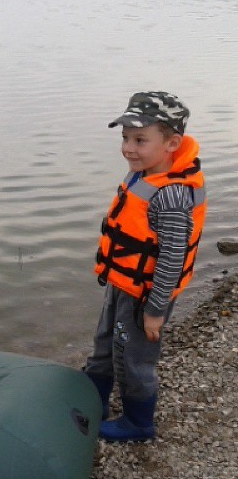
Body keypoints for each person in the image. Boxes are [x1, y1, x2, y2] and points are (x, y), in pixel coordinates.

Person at [84, 91, 207, 442]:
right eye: (125, 138)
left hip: (148, 295)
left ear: (172, 143)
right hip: (123, 283)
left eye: (140, 140)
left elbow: (173, 257)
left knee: (134, 357)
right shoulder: (142, 175)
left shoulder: (170, 195)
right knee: (105, 341)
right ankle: (93, 400)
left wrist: (155, 310)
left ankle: (138, 423)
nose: (128, 148)